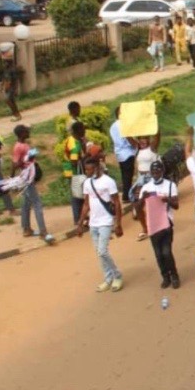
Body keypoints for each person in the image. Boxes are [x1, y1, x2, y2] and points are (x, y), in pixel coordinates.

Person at [75, 157, 124, 292]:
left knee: (102, 251)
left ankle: (117, 276)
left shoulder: (109, 182)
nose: (87, 172)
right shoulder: (87, 183)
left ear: (97, 168)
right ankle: (108, 278)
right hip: (93, 223)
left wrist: (118, 223)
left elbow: (117, 203)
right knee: (99, 252)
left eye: (89, 169)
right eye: (86, 169)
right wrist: (80, 223)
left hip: (106, 221)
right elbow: (86, 204)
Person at [139, 160, 180, 288]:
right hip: (153, 224)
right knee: (158, 254)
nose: (155, 174)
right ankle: (165, 276)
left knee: (166, 252)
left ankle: (174, 275)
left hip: (167, 222)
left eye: (158, 171)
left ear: (162, 171)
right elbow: (138, 207)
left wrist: (167, 199)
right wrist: (142, 198)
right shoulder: (146, 187)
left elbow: (176, 205)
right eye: (153, 171)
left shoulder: (170, 185)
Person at [109, 106, 137, 203]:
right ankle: (126, 195)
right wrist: (135, 144)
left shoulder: (113, 126)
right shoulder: (123, 124)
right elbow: (128, 137)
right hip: (127, 152)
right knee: (128, 175)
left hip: (120, 153)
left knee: (125, 174)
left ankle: (127, 194)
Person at [1, 57, 22, 121]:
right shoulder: (7, 70)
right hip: (10, 87)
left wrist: (6, 88)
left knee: (8, 100)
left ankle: (16, 114)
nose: (4, 64)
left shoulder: (11, 70)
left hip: (11, 88)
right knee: (12, 101)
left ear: (8, 63)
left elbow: (10, 81)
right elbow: (4, 79)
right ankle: (17, 113)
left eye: (5, 62)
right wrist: (2, 86)